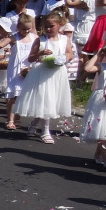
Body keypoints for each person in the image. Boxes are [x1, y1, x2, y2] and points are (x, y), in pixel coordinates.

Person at [14, 12, 74, 144]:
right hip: (42, 72)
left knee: (51, 100)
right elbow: (30, 58)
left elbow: (70, 53)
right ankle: (45, 131)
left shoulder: (64, 39)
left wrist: (64, 58)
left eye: (51, 26)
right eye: (46, 26)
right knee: (45, 99)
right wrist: (40, 53)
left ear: (59, 25)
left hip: (57, 73)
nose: (48, 29)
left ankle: (35, 124)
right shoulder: (40, 40)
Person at [0, 14, 38, 130]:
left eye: (29, 28)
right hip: (15, 69)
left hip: (28, 68)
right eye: (24, 29)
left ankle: (17, 117)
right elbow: (3, 42)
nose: (26, 31)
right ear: (18, 27)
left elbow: (38, 48)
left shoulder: (34, 37)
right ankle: (10, 119)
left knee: (22, 94)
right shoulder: (14, 37)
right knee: (14, 95)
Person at [79, 47, 106, 165]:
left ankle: (99, 153)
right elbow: (87, 68)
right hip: (101, 100)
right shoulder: (102, 67)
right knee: (102, 129)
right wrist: (98, 54)